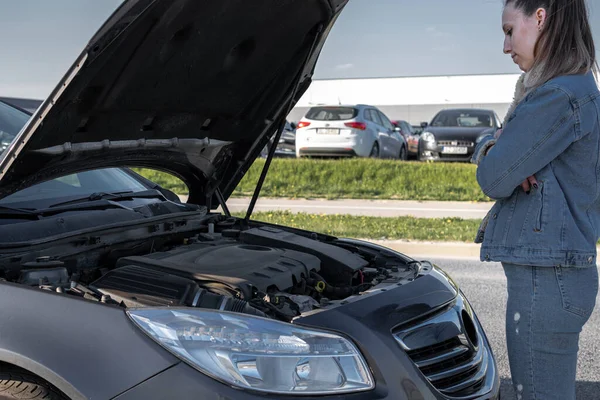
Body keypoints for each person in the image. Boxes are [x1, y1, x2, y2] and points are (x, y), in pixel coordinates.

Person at [470, 0, 599, 399]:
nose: (506, 46)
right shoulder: (572, 88)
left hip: (547, 282)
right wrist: (500, 149)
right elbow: (500, 160)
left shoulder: (557, 94)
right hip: (555, 275)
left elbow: (493, 177)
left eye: (510, 31)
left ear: (540, 18)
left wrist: (496, 151)